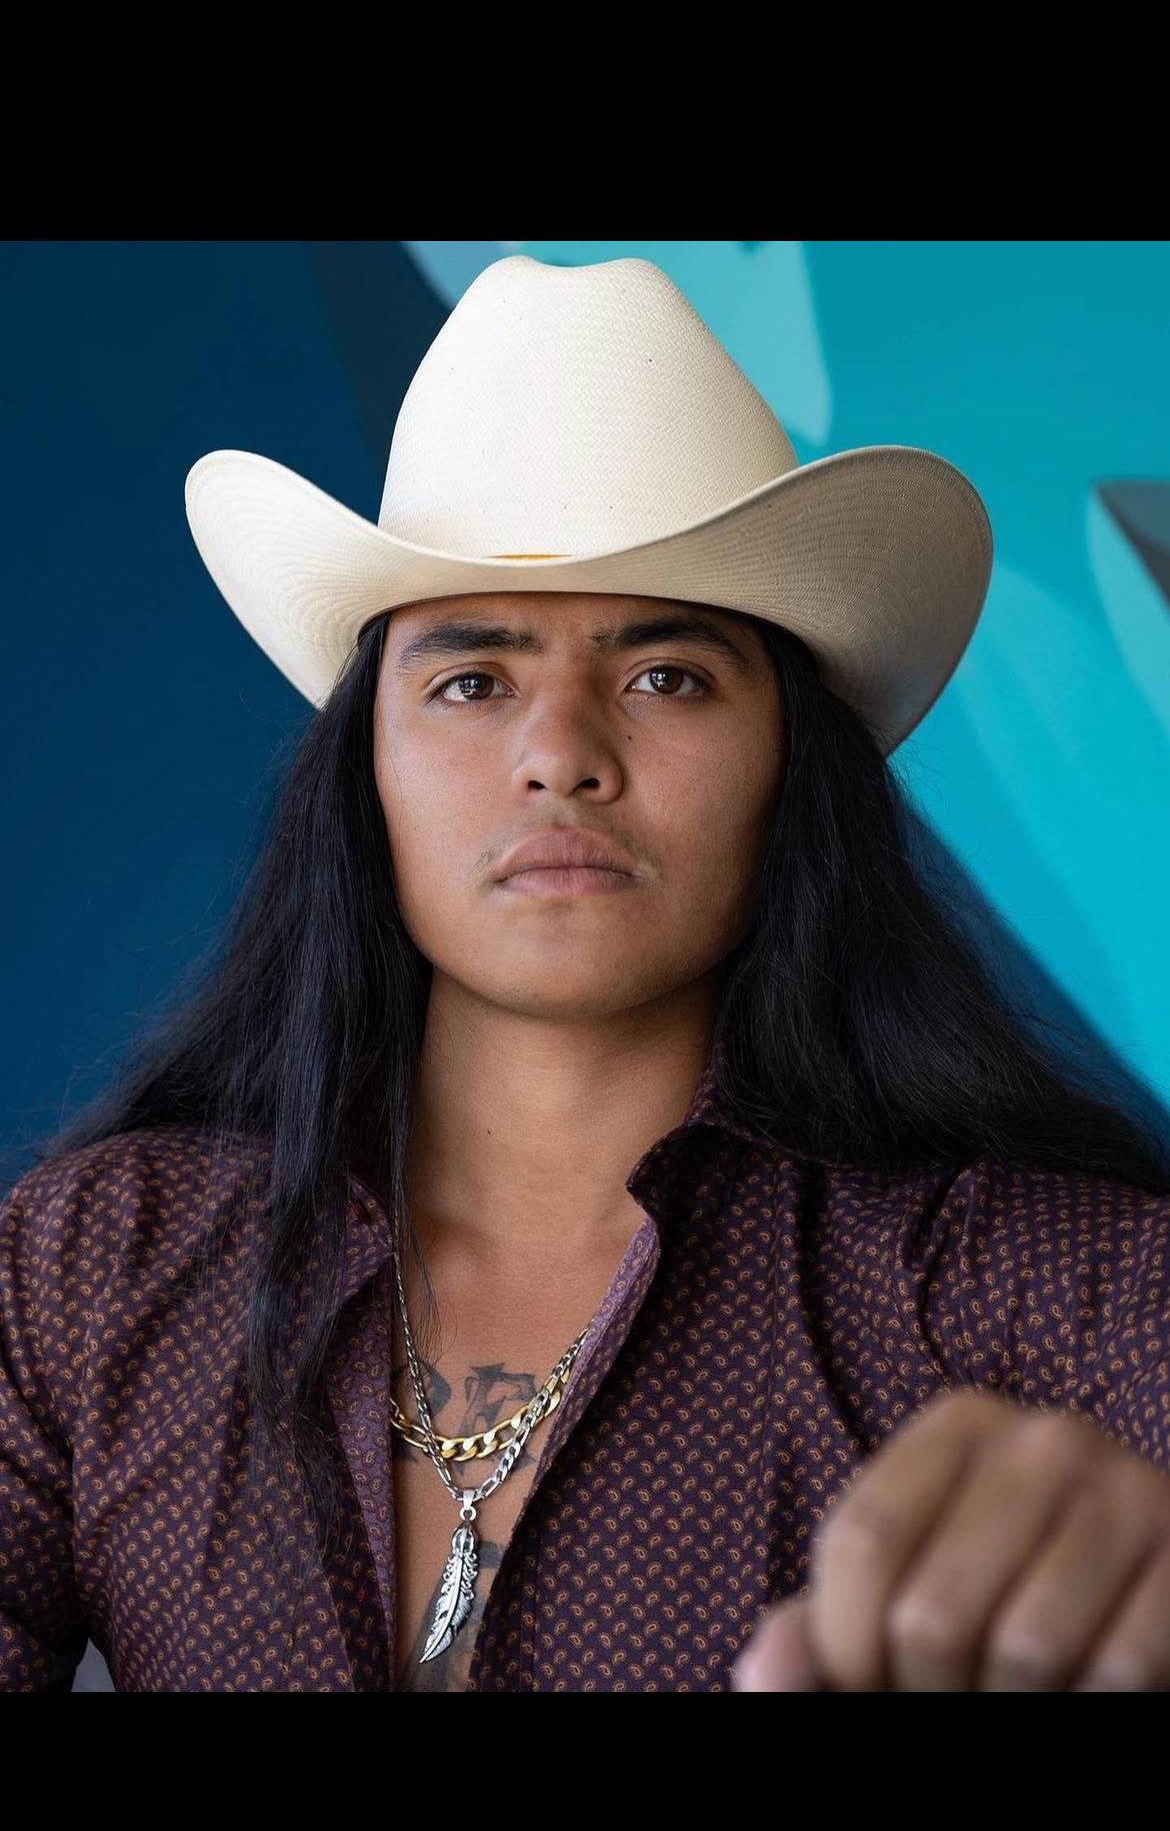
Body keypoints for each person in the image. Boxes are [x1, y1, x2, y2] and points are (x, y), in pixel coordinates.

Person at [2, 252, 1169, 1696]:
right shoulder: (92, 1268)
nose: (560, 753)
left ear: (790, 768)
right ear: (364, 770)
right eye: (470, 680)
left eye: (667, 676)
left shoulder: (1059, 1292)